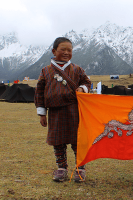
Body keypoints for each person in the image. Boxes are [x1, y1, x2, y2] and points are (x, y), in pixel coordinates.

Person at [34, 37, 91, 183]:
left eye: (69, 50)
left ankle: (80, 169)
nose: (66, 52)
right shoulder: (46, 71)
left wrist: (82, 88)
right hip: (55, 112)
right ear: (54, 51)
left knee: (77, 141)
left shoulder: (77, 69)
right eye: (63, 49)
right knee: (58, 141)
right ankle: (62, 168)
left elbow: (87, 82)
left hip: (74, 110)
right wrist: (42, 113)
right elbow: (39, 92)